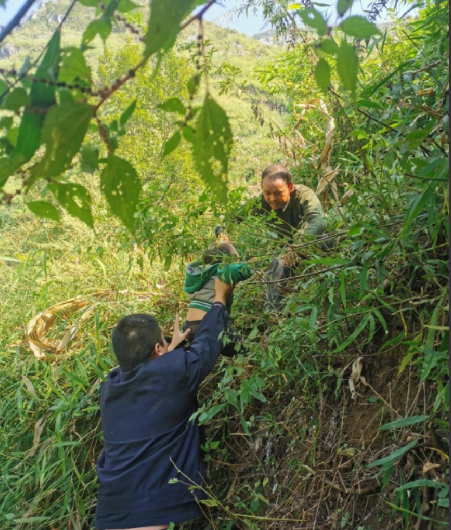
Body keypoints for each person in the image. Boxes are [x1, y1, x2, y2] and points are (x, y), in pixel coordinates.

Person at [94, 278, 234, 530]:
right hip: (148, 516)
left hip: (110, 513)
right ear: (158, 349)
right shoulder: (174, 372)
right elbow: (207, 344)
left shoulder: (109, 387)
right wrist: (219, 299)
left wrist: (173, 349)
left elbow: (150, 376)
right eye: (164, 341)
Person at [255, 164, 327, 311]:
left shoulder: (304, 195)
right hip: (284, 252)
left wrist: (298, 246)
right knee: (277, 264)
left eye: (278, 192)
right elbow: (234, 217)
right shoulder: (259, 202)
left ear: (290, 187)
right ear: (262, 187)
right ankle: (273, 316)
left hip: (308, 244)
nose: (272, 198)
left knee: (327, 240)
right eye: (267, 193)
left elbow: (319, 222)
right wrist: (221, 232)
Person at [183, 238, 253, 356]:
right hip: (207, 324)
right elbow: (245, 270)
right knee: (241, 348)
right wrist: (238, 260)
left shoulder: (199, 273)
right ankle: (244, 368)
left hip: (189, 325)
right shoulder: (222, 270)